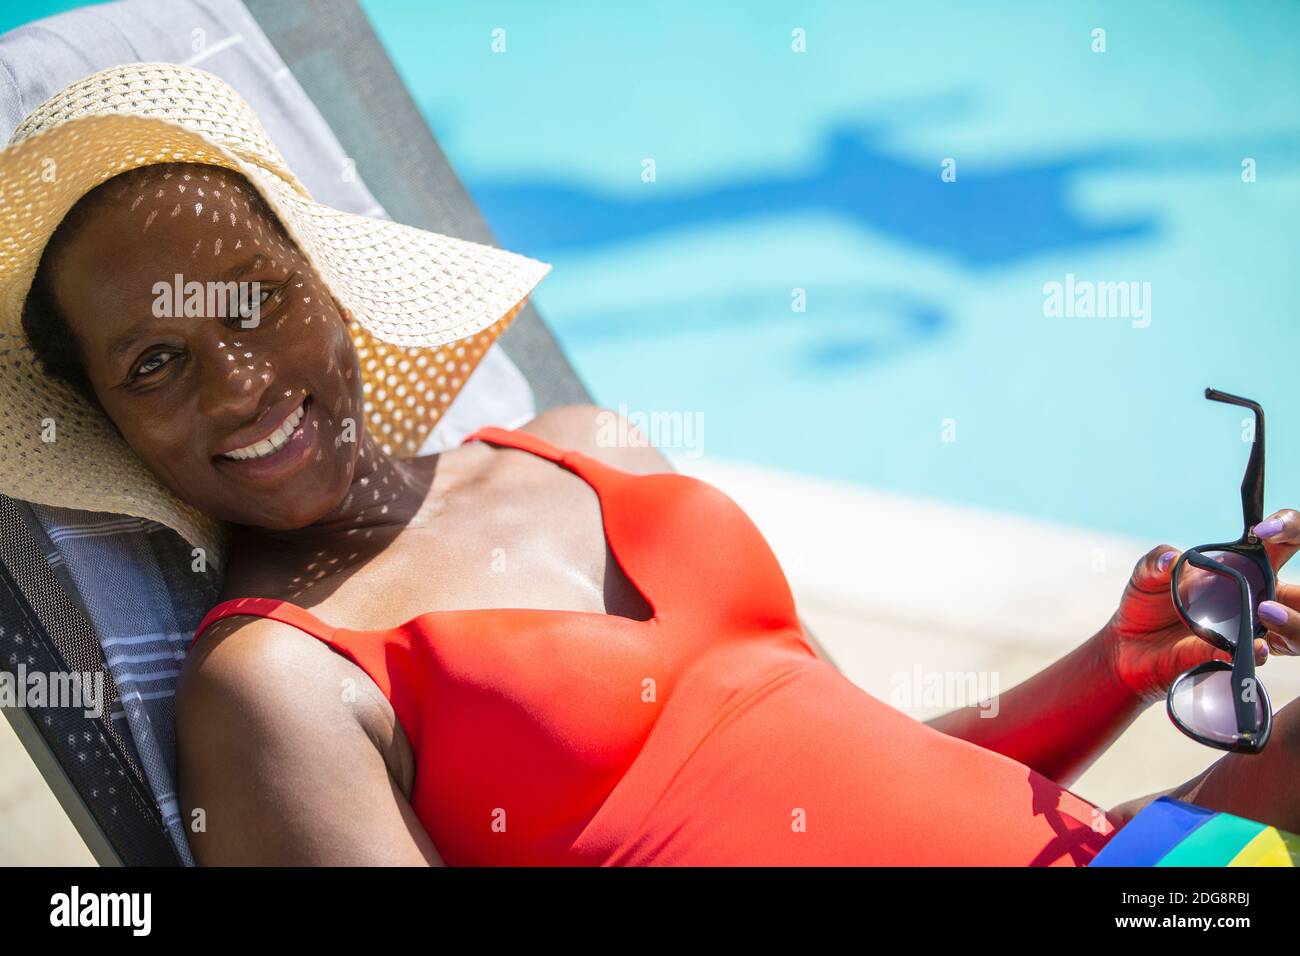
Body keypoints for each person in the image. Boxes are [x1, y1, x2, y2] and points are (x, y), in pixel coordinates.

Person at [5, 65, 1298, 866]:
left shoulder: (583, 451)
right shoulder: (277, 679)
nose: (236, 383)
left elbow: (872, 766)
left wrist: (1120, 663)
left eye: (251, 301)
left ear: (328, 282)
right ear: (115, 422)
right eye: (156, 365)